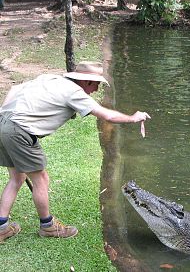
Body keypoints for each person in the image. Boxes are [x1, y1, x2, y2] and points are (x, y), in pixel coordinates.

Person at [0, 61, 150, 242]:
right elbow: (108, 115)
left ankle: (2, 228)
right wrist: (134, 118)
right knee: (41, 179)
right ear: (86, 81)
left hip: (3, 123)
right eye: (96, 84)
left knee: (17, 177)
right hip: (19, 132)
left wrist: (5, 113)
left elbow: (15, 89)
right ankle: (48, 227)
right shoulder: (75, 93)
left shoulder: (51, 78)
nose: (96, 89)